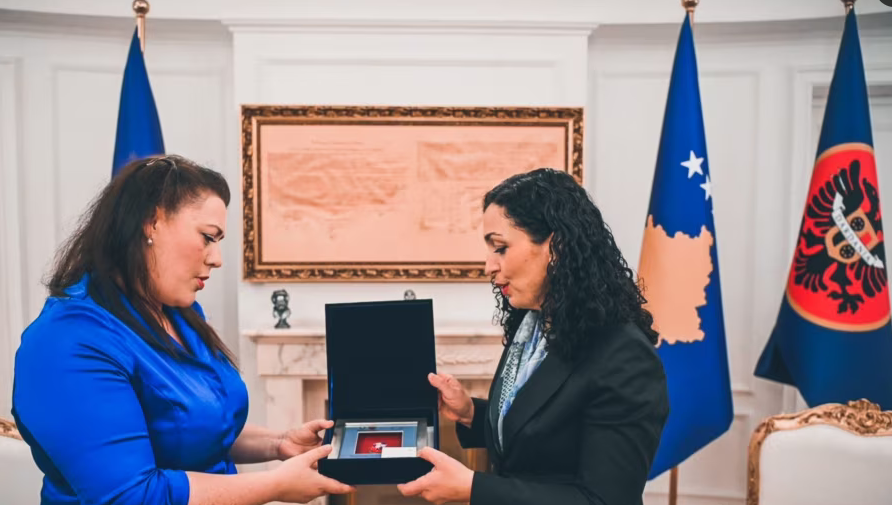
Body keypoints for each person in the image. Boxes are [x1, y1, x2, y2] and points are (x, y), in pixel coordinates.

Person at [12, 155, 353, 505]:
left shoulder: (179, 315)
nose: (217, 258)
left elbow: (193, 429)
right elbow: (131, 496)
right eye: (208, 237)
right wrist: (275, 485)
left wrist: (279, 443)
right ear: (152, 222)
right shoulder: (65, 343)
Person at [398, 168, 670, 505]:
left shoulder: (625, 357)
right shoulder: (533, 326)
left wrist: (474, 488)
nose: (489, 266)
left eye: (500, 248)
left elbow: (604, 500)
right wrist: (470, 412)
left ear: (556, 247)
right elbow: (538, 430)